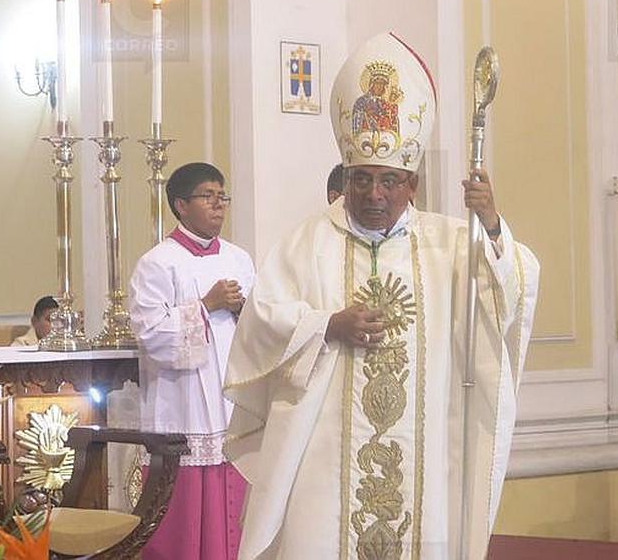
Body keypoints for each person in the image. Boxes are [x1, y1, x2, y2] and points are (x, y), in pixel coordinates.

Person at [224, 32, 540, 560]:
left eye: (390, 181)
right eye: (362, 179)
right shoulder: (306, 244)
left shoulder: (451, 242)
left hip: (421, 457)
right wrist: (327, 325)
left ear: (411, 184)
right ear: (345, 178)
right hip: (323, 457)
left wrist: (490, 221)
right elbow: (262, 321)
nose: (375, 194)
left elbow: (512, 289)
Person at [128, 162, 255, 560]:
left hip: (233, 402)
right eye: (208, 196)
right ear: (181, 205)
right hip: (183, 403)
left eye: (222, 196)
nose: (219, 204)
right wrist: (206, 306)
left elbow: (260, 326)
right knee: (188, 519)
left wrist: (242, 311)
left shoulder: (240, 259)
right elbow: (150, 334)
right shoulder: (157, 263)